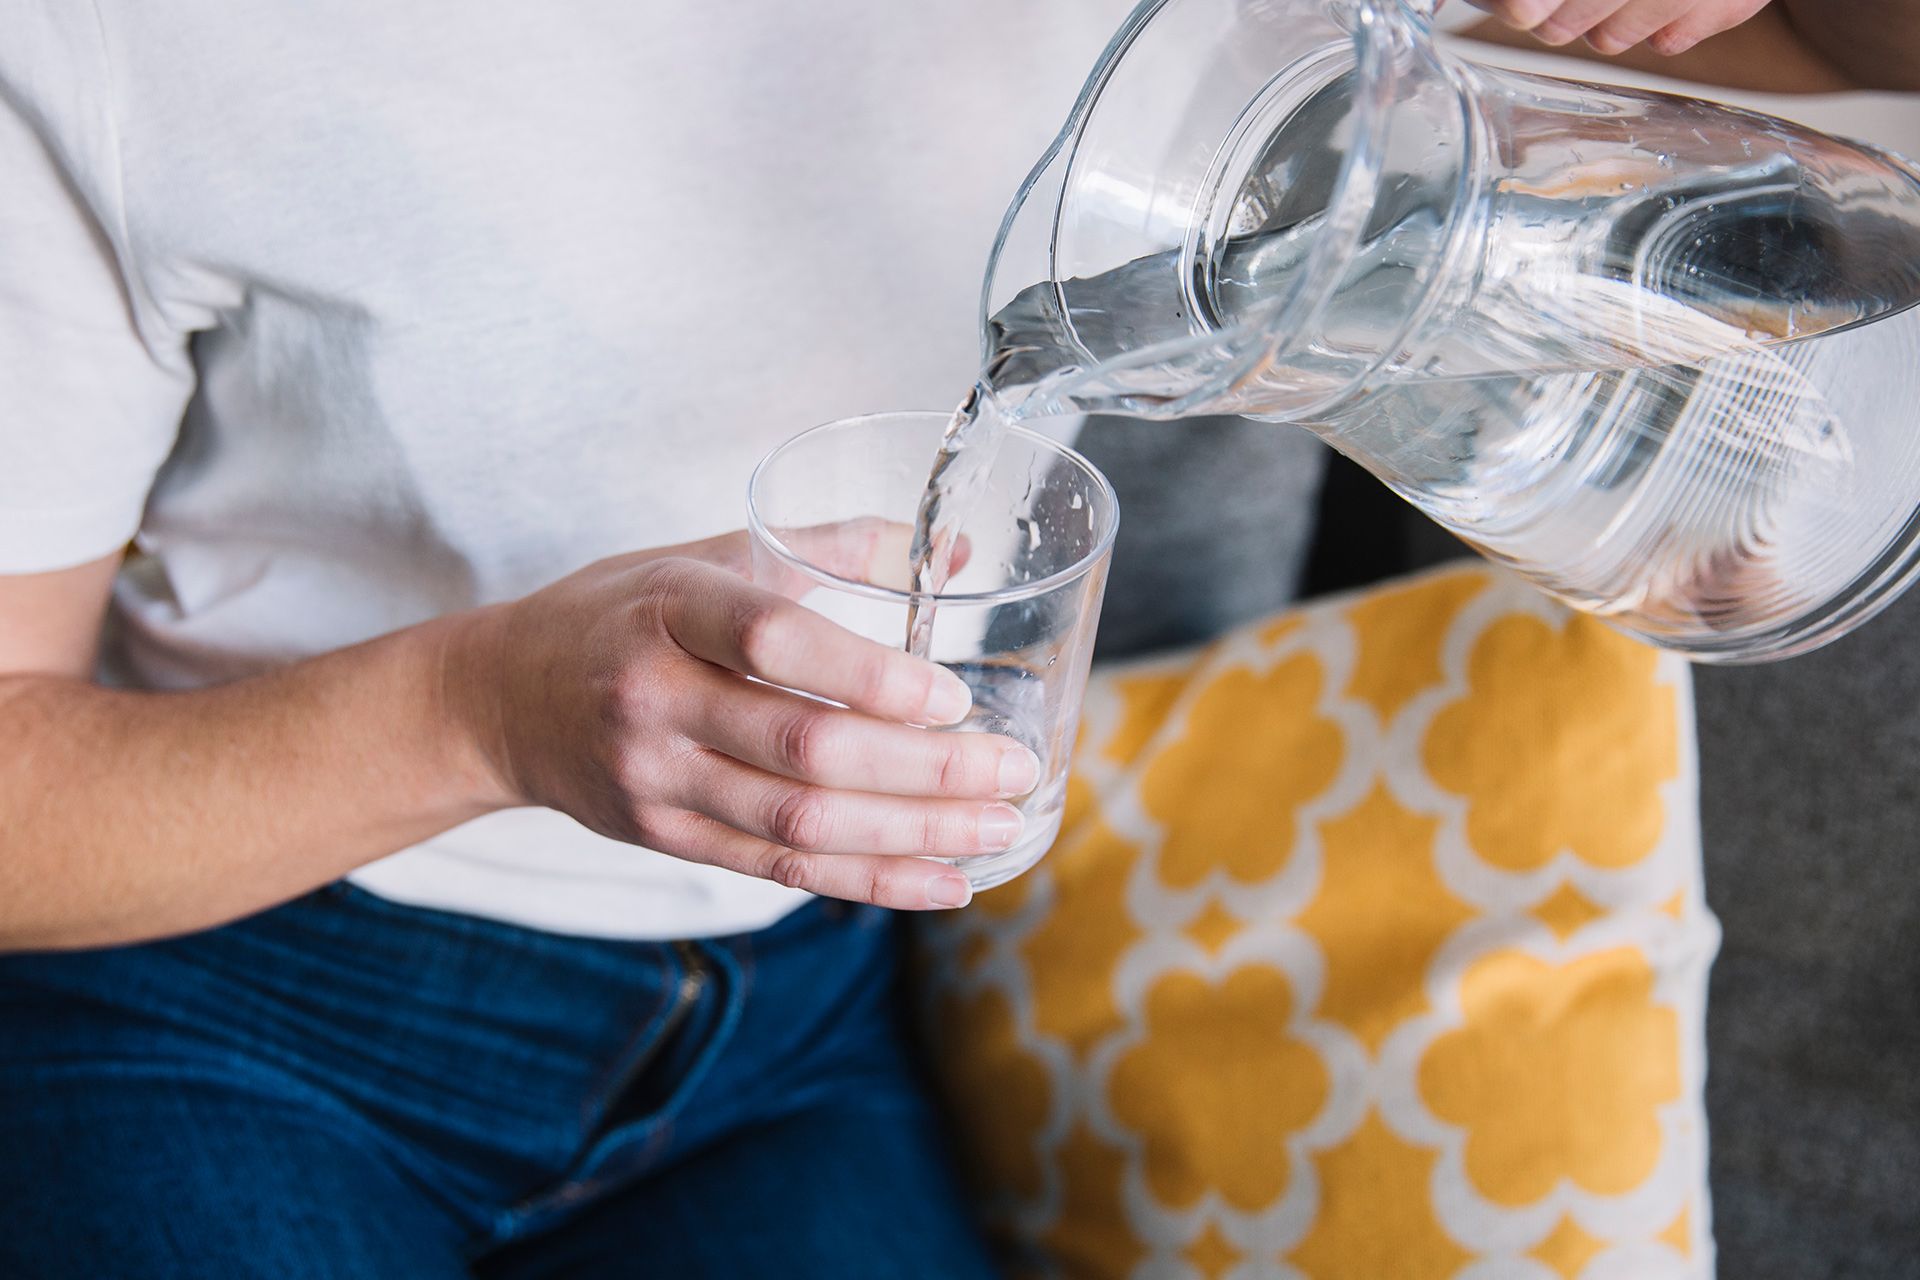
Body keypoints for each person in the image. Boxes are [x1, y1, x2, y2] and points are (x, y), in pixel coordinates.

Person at [0, 2, 1904, 1276]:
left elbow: (1854, 62)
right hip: (245, 989)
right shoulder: (128, 44)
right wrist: (479, 709)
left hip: (816, 1007)